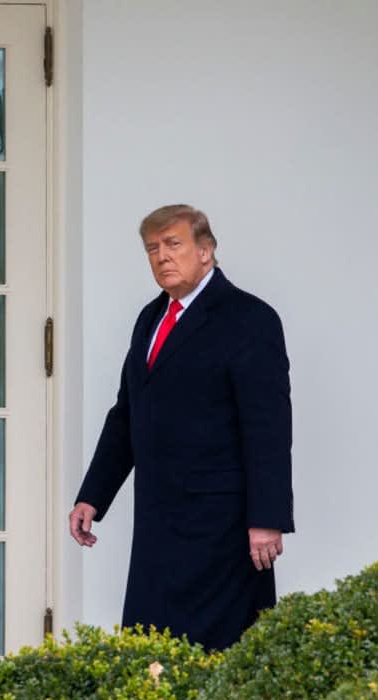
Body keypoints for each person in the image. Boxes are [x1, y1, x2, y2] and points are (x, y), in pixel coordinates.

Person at [68, 204, 294, 650]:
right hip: (158, 522)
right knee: (151, 652)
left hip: (224, 527)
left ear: (206, 251)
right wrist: (92, 496)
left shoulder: (250, 319)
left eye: (173, 244)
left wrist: (267, 520)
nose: (161, 257)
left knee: (222, 651)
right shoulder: (150, 319)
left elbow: (268, 427)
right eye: (152, 248)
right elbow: (126, 414)